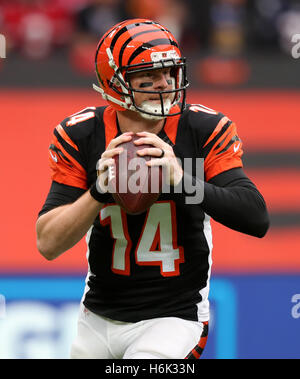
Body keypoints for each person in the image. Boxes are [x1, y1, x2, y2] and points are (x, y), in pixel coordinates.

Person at [36, 18, 269, 359]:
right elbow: (48, 243)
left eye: (169, 72)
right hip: (97, 318)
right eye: (149, 77)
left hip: (175, 317)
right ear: (116, 84)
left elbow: (256, 216)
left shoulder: (202, 130)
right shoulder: (82, 136)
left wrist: (181, 180)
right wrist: (99, 191)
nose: (166, 84)